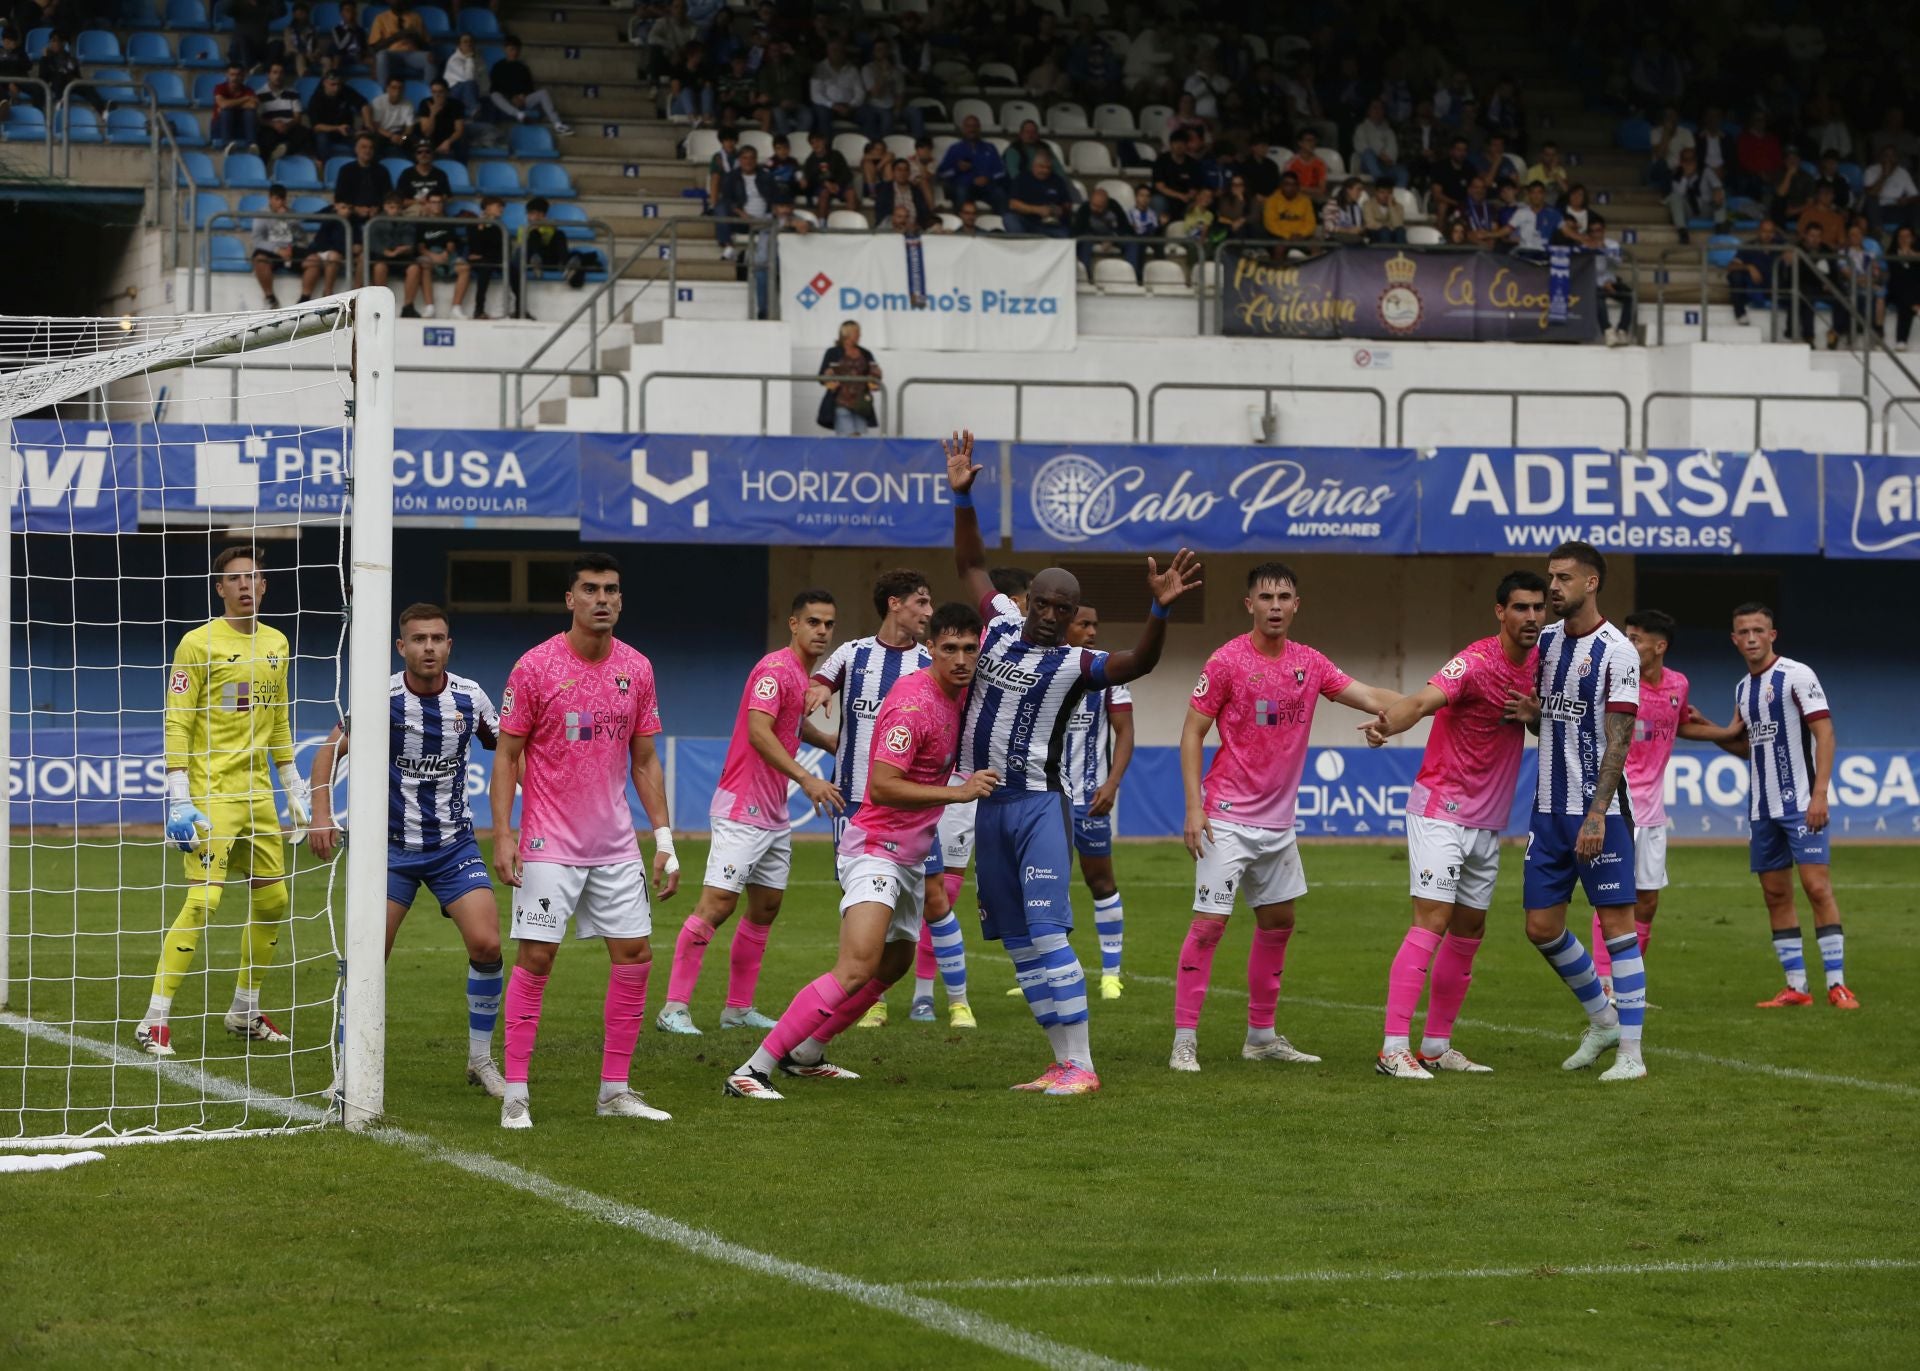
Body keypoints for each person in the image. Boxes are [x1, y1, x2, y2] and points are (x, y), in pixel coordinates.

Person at [946, 431, 1200, 1096]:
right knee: (1019, 943)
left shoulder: (1076, 664)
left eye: (1066, 608)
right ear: (1029, 598)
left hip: (1036, 808)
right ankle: (1061, 1061)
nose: (1055, 615)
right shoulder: (997, 624)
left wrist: (1157, 612)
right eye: (1048, 603)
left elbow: (1138, 664)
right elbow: (971, 564)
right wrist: (962, 497)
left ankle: (1083, 1063)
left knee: (1048, 928)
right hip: (986, 807)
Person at [725, 604, 997, 1100]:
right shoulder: (913, 704)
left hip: (912, 853)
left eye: (969, 649)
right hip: (875, 847)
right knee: (856, 965)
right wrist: (959, 792)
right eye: (950, 648)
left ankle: (807, 1053)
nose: (961, 658)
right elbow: (884, 786)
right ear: (930, 649)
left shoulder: (963, 695)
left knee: (893, 964)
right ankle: (752, 1069)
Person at [1172, 563, 1401, 1074]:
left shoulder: (1311, 663)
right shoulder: (1227, 660)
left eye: (1284, 597)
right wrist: (1194, 806)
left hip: (1277, 825)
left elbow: (1370, 696)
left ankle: (1261, 1036)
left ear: (1297, 605)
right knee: (1209, 926)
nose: (1275, 605)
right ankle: (1185, 1039)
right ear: (1248, 604)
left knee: (1279, 922)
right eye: (1266, 596)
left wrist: (1417, 709)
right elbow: (1192, 732)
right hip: (1225, 817)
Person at [306, 604, 506, 1096]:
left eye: (438, 638)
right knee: (369, 957)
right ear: (402, 647)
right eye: (418, 639)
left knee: (488, 945)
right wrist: (320, 813)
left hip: (453, 845)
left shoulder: (470, 697)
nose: (429, 647)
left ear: (449, 645)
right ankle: (348, 1070)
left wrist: (515, 824)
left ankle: (480, 1061)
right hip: (388, 851)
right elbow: (329, 752)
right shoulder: (382, 696)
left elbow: (509, 751)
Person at [1362, 570, 1548, 1078]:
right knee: (1433, 920)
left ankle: (1437, 1047)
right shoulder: (1475, 661)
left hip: (1488, 819)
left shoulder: (1542, 662)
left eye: (1538, 608)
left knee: (1470, 928)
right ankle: (1392, 1048)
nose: (1531, 617)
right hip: (1440, 809)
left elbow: (1542, 722)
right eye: (1521, 608)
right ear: (1500, 612)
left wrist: (1534, 715)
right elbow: (1422, 702)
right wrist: (1387, 724)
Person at [136, 546, 309, 1058]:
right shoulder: (197, 643)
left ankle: (244, 1010)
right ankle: (154, 1021)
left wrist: (293, 781)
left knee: (275, 900)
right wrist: (178, 797)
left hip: (259, 794)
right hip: (211, 792)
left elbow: (277, 718)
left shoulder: (278, 642)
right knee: (204, 900)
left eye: (254, 578)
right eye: (234, 579)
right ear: (220, 589)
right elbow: (178, 718)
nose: (244, 586)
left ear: (265, 585)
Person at [655, 592, 840, 1035]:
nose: (822, 631)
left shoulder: (800, 675)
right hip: (743, 806)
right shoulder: (775, 670)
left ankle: (737, 1009)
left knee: (766, 907)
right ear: (793, 624)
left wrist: (831, 743)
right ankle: (673, 1009)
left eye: (829, 624)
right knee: (718, 904)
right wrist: (807, 779)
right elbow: (759, 731)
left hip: (773, 811)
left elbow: (789, 725)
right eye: (813, 621)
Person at [805, 570, 974, 1029]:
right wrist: (819, 693)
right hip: (854, 803)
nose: (929, 611)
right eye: (921, 602)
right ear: (895, 604)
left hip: (911, 804)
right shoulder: (853, 653)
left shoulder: (930, 661)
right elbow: (820, 683)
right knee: (862, 907)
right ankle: (870, 1000)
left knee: (935, 900)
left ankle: (954, 1000)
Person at [1516, 541, 1646, 1082]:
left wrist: (1597, 814)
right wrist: (1531, 715)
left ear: (1591, 583)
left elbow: (1619, 742)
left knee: (1618, 928)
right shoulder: (1545, 642)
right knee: (1540, 927)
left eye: (1564, 578)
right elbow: (1554, 725)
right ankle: (1602, 1020)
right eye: (1551, 577)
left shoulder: (1618, 652)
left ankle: (1632, 1056)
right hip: (1548, 811)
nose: (1553, 587)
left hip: (1601, 813)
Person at [1723, 604, 1859, 1010]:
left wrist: (1820, 794)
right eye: (1743, 631)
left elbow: (1826, 733)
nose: (1750, 637)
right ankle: (1797, 986)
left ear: (1772, 635)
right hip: (1761, 809)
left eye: (1758, 630)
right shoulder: (1742, 689)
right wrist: (1695, 727)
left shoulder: (1797, 675)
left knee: (1817, 887)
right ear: (1734, 639)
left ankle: (1837, 984)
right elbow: (1742, 743)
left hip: (1801, 803)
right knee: (1775, 894)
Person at [1585, 610, 1728, 997]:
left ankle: (1630, 986)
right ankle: (1606, 985)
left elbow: (1681, 722)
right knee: (1614, 895)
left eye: (1635, 639)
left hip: (1652, 812)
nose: (1628, 645)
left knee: (1647, 901)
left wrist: (1726, 732)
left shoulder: (1678, 684)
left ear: (1659, 646)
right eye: (1626, 636)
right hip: (1617, 804)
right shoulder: (1614, 683)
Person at [1061, 606, 1133, 1000]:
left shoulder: (1108, 674)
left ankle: (1110, 973)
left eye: (1094, 624)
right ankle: (1049, 972)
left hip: (1090, 798)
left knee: (1101, 882)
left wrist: (1112, 783)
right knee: (1047, 886)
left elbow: (1125, 732)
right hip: (1047, 798)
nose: (1091, 631)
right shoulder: (1042, 667)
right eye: (1083, 624)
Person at [404, 191, 468, 319]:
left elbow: (451, 244)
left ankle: (456, 308)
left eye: (439, 202)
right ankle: (430, 307)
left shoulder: (448, 221)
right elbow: (420, 247)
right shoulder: (421, 223)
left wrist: (445, 253)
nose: (437, 205)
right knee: (424, 264)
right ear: (427, 204)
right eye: (433, 202)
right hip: (428, 255)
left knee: (464, 267)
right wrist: (433, 256)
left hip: (446, 255)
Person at [490, 35, 571, 134]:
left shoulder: (523, 68)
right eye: (512, 49)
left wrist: (523, 96)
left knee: (543, 93)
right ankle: (519, 115)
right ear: (505, 50)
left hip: (522, 100)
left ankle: (558, 124)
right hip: (507, 101)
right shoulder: (498, 67)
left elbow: (529, 88)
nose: (514, 53)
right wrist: (511, 97)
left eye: (517, 50)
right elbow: (496, 86)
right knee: (494, 95)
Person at [816, 320, 880, 436]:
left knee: (860, 440)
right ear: (847, 334)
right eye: (857, 332)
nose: (860, 335)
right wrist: (828, 376)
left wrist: (875, 377)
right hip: (841, 401)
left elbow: (875, 374)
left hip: (861, 404)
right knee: (848, 438)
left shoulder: (865, 353)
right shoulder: (832, 352)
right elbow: (821, 376)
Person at [249, 183, 305, 309]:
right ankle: (270, 297)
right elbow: (257, 240)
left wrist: (290, 220)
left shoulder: (291, 213)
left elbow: (301, 236)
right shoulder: (261, 214)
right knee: (260, 260)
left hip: (290, 249)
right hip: (271, 250)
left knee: (314, 261)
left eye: (283, 199)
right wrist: (277, 250)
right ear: (270, 198)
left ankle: (305, 299)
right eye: (277, 199)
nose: (280, 202)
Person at [936, 114, 1008, 212]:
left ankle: (1002, 224)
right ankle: (960, 224)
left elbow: (1000, 172)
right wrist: (957, 168)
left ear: (979, 128)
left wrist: (988, 178)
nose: (972, 129)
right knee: (961, 192)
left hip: (986, 187)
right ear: (963, 129)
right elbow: (941, 173)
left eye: (975, 126)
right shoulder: (955, 149)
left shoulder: (990, 148)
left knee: (1000, 193)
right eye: (968, 126)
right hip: (964, 187)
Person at [1005, 150, 1072, 237]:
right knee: (1009, 218)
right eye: (1042, 167)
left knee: (1065, 235)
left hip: (1051, 224)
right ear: (1034, 166)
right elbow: (1013, 204)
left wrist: (1059, 209)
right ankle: (1022, 244)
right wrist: (1037, 210)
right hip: (1026, 221)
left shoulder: (1057, 181)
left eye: (1048, 168)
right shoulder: (1021, 179)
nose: (1045, 170)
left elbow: (1067, 203)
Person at [301, 196, 358, 298]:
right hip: (320, 252)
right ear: (335, 206)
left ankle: (327, 294)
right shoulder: (328, 217)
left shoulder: (353, 223)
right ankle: (305, 297)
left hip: (340, 255)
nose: (347, 211)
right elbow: (308, 220)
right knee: (313, 262)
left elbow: (355, 246)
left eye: (350, 208)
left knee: (333, 257)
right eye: (344, 207)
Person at [369, 0, 433, 89]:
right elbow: (375, 47)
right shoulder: (380, 18)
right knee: (381, 56)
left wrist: (415, 37)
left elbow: (426, 45)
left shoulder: (415, 17)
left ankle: (428, 94)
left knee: (430, 58)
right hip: (392, 55)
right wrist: (397, 36)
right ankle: (383, 93)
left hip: (412, 54)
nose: (397, 1)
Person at [256, 61, 310, 161]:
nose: (278, 76)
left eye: (281, 73)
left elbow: (297, 117)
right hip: (271, 127)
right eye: (275, 72)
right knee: (264, 139)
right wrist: (273, 124)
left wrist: (287, 125)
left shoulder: (293, 93)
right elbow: (258, 118)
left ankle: (285, 149)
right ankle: (267, 165)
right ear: (268, 75)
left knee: (305, 134)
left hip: (289, 126)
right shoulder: (259, 94)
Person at [307, 70, 364, 161]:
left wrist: (368, 125)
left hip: (346, 130)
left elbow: (364, 105)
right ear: (325, 83)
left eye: (338, 84)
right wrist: (337, 128)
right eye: (333, 84)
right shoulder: (315, 99)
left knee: (363, 140)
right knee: (322, 138)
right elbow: (317, 127)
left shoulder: (345, 90)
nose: (336, 88)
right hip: (326, 131)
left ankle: (359, 165)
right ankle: (324, 165)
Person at [334, 133, 392, 220]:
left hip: (377, 213)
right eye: (364, 147)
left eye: (371, 147)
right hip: (352, 211)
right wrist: (355, 209)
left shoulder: (382, 171)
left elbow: (388, 196)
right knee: (342, 212)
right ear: (356, 149)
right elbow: (340, 197)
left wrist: (377, 208)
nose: (368, 150)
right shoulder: (346, 170)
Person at [210, 62, 260, 151]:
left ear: (243, 76)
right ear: (227, 75)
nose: (235, 78)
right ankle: (227, 145)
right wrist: (245, 99)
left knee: (249, 113)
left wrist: (230, 104)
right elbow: (223, 104)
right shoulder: (220, 88)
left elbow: (253, 105)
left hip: (240, 128)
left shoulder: (248, 90)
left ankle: (252, 146)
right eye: (232, 74)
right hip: (221, 128)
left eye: (238, 75)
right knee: (226, 112)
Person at [1888, 224, 1920, 349]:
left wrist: (1912, 255)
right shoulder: (1891, 253)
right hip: (1897, 290)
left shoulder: (1917, 252)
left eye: (1907, 236)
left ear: (1913, 238)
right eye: (1901, 236)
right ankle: (1916, 307)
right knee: (1904, 296)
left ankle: (1901, 340)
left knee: (1906, 303)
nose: (1904, 239)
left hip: (1916, 290)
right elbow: (1896, 276)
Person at [1261, 170, 1315, 242]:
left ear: (1297, 186)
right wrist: (1288, 235)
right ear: (1281, 185)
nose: (1290, 187)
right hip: (1280, 236)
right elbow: (1270, 224)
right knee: (1280, 246)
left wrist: (1301, 234)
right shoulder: (1272, 200)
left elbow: (1311, 223)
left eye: (1294, 184)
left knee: (1315, 244)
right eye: (1287, 184)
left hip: (1301, 236)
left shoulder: (1305, 200)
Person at [365, 77, 416, 152]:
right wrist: (391, 136)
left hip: (399, 133)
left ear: (403, 90)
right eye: (394, 87)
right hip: (382, 133)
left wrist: (403, 138)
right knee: (374, 141)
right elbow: (376, 126)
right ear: (387, 88)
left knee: (412, 141)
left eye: (400, 88)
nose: (397, 91)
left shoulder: (408, 104)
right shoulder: (378, 101)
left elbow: (409, 129)